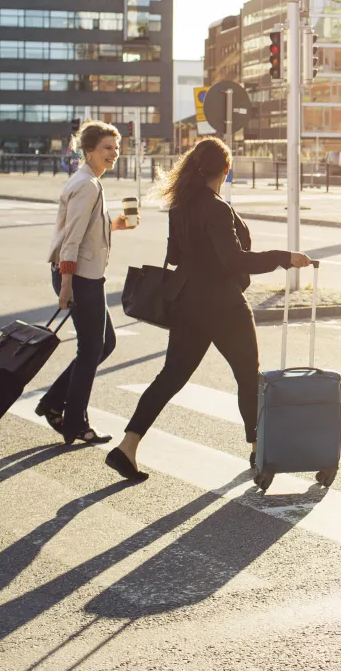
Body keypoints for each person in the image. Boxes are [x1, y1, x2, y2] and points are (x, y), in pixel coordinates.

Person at [105, 136, 311, 483]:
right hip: (223, 305)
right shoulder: (215, 208)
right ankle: (259, 452)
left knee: (170, 377)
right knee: (249, 377)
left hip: (187, 305)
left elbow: (174, 256)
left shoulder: (181, 205)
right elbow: (233, 260)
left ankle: (127, 447)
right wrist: (283, 258)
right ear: (225, 171)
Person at [39, 120, 132, 446]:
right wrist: (66, 285)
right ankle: (75, 421)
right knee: (92, 347)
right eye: (107, 148)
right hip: (77, 277)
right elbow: (72, 238)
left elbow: (89, 226)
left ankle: (53, 402)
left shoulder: (89, 181)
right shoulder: (87, 185)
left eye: (117, 148)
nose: (114, 153)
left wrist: (115, 225)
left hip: (87, 276)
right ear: (89, 150)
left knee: (102, 345)